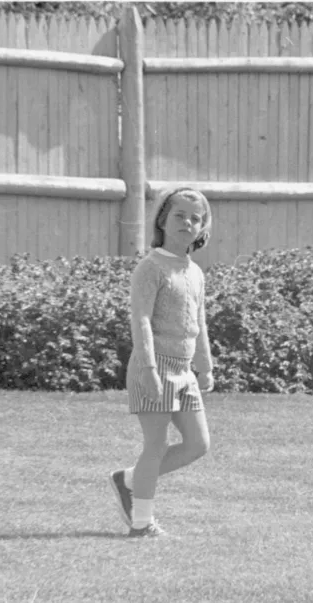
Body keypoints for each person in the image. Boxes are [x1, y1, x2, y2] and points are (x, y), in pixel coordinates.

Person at [110, 188, 215, 538]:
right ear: (162, 220)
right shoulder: (150, 267)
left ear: (203, 227)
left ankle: (128, 479)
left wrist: (206, 365)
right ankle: (142, 523)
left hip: (184, 371)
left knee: (198, 445)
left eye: (195, 218)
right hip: (153, 367)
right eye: (179, 215)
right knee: (155, 446)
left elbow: (198, 322)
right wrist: (151, 370)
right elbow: (140, 321)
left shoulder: (195, 272)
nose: (188, 222)